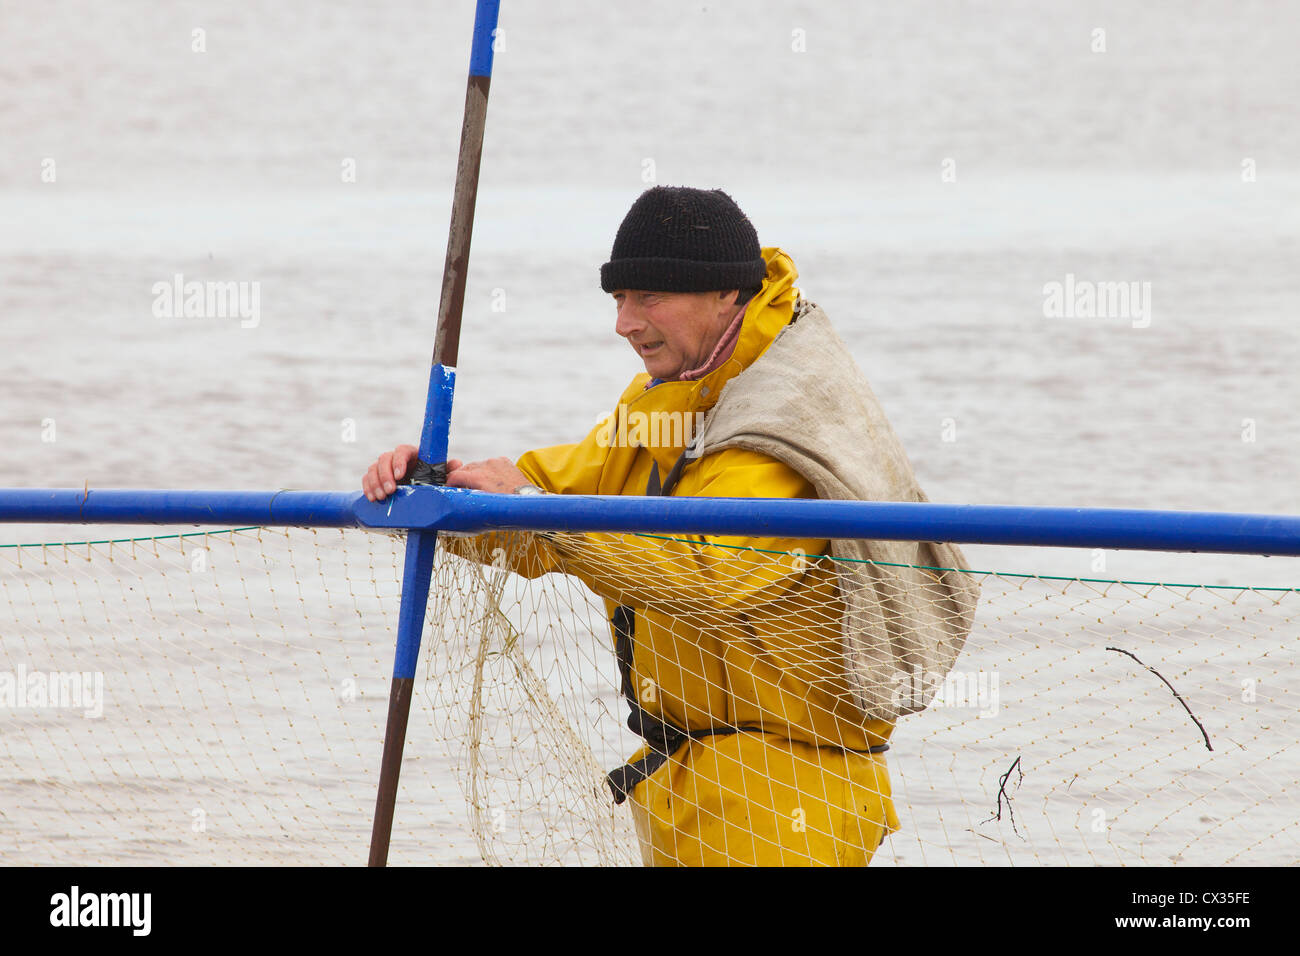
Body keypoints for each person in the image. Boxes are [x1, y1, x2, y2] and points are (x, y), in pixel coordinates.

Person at [363, 186, 979, 866]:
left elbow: (705, 575)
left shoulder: (781, 426)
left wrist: (542, 518)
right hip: (685, 774)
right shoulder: (665, 404)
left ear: (725, 296)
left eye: (649, 298)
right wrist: (433, 494)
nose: (625, 322)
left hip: (790, 796)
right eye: (619, 298)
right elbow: (550, 497)